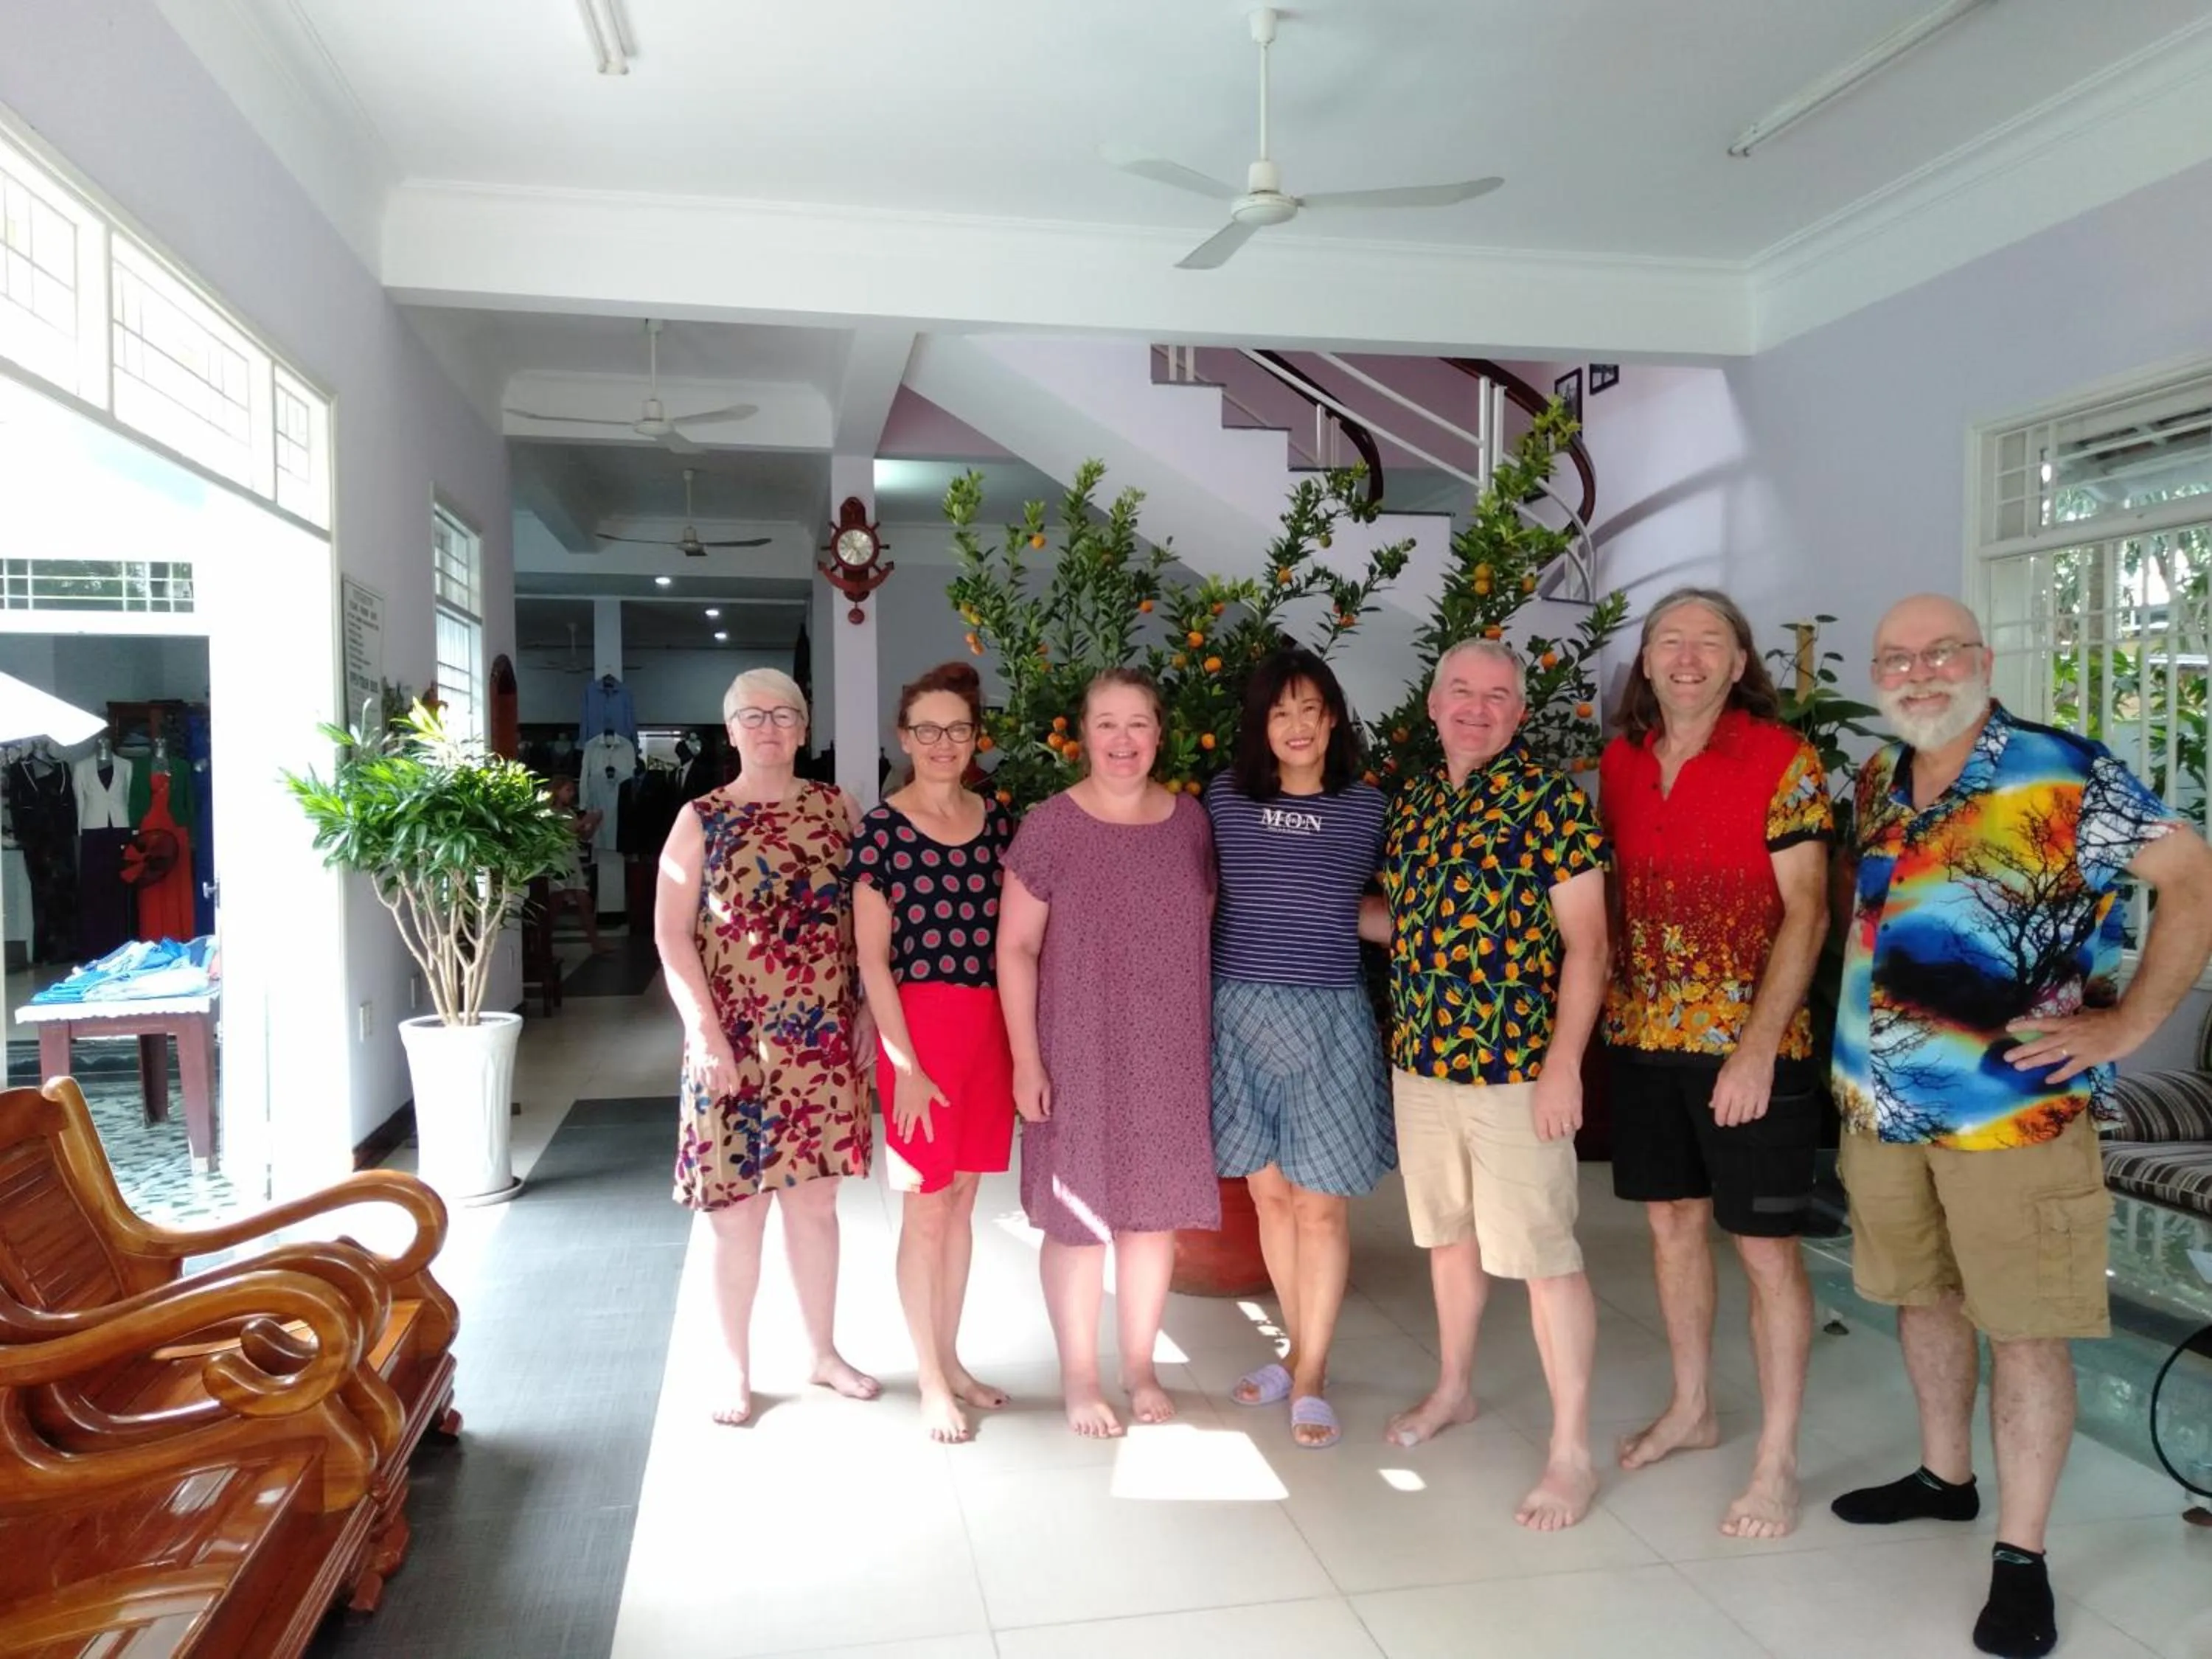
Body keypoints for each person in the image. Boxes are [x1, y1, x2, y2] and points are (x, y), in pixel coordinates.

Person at [1829, 593, 2212, 1659]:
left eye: (1939, 651)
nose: (1916, 671)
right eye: (1894, 656)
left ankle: (2022, 1553)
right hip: (1884, 1112)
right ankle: (1945, 1476)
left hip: (2015, 1117)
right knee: (1923, 1298)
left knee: (2026, 1329)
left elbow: (2195, 878)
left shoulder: (2064, 771)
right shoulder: (1879, 778)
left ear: (1983, 660)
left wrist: (2130, 1020)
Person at [1599, 588, 1832, 1540]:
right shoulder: (1618, 762)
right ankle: (1694, 1406)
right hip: (1645, 1039)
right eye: (1669, 639)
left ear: (1741, 663)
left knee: (1767, 1250)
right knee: (1670, 1226)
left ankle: (1776, 1459)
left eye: (1711, 641)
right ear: (1646, 661)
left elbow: (1808, 911)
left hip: (1753, 1049)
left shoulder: (1786, 760)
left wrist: (1754, 1048)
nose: (1688, 655)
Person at [1378, 638, 1609, 1531]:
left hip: (1518, 1072)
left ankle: (1571, 1451)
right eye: (1461, 692)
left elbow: (1589, 945)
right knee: (1449, 1241)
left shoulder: (1552, 803)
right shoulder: (1415, 803)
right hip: (1422, 1064)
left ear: (1519, 712)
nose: (1477, 707)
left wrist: (1563, 1069)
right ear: (1434, 706)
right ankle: (1454, 1389)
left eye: (1498, 695)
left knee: (1546, 1258)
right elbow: (1403, 923)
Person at [653, 667, 880, 1427]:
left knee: (815, 1206)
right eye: (753, 715)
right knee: (736, 1213)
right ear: (731, 731)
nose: (770, 727)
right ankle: (733, 1367)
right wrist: (705, 1034)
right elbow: (670, 933)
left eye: (785, 715)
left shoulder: (837, 809)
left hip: (820, 1043)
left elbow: (871, 923)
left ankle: (822, 1352)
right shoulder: (702, 818)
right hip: (734, 1047)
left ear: (805, 729)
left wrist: (868, 1014)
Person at [998, 668, 1220, 1438]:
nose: (1123, 741)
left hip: (1169, 1054)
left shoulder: (1191, 823)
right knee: (1077, 1223)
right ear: (1082, 735)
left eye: (1138, 724)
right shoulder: (1050, 827)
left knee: (1152, 1220)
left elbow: (1202, 929)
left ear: (1160, 734)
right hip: (1077, 1051)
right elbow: (1016, 949)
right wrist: (1027, 1060)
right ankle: (1082, 1377)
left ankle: (1139, 1367)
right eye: (1106, 724)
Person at [1205, 648, 1392, 1450]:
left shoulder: (1369, 809)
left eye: (1311, 708)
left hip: (1329, 1017)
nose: (1297, 725)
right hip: (1239, 1015)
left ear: (1334, 718)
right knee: (1272, 1198)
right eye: (1280, 712)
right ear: (1261, 725)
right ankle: (1296, 1348)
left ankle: (1311, 1372)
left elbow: (1390, 908)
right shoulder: (1222, 801)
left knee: (1322, 1207)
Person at [849, 662, 1019, 1444]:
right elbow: (873, 961)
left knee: (962, 1206)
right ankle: (928, 1378)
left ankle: (953, 1362)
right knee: (925, 1210)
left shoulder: (1001, 821)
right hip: (919, 1033)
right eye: (927, 730)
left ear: (974, 736)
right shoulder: (881, 832)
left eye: (957, 728)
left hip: (990, 1031)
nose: (943, 743)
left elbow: (1018, 944)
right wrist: (904, 1066)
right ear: (903, 737)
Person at [546, 774, 616, 955]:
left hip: (571, 861)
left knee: (584, 902)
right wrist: (587, 820)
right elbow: (568, 830)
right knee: (554, 906)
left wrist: (593, 824)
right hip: (557, 863)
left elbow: (583, 836)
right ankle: (542, 945)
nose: (571, 794)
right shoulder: (548, 813)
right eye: (568, 790)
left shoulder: (569, 813)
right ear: (556, 791)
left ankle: (596, 944)